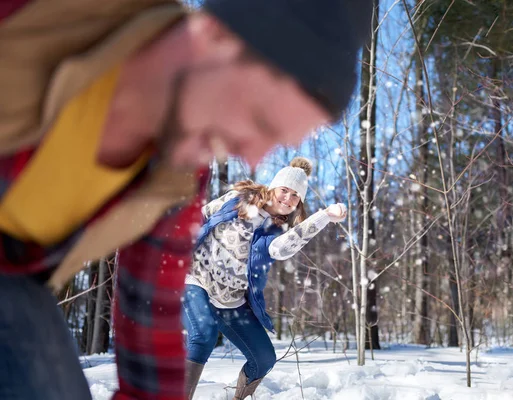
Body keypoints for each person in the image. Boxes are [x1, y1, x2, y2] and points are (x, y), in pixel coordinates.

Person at [0, 0, 369, 399]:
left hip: (15, 283)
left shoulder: (181, 173)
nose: (254, 157)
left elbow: (148, 307)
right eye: (260, 119)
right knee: (202, 333)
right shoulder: (50, 17)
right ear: (217, 39)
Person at [182, 157, 347, 399]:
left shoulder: (275, 229)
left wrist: (324, 217)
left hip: (230, 301)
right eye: (284, 190)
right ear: (273, 187)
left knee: (263, 357)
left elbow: (282, 249)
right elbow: (201, 215)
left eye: (295, 196)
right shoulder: (236, 200)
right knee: (203, 336)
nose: (287, 198)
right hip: (195, 281)